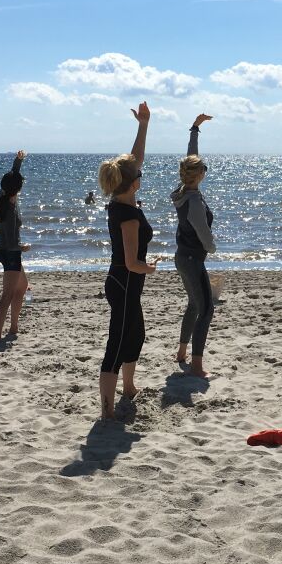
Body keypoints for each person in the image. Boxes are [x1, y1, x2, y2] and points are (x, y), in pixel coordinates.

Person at [98, 102, 157, 419]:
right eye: (139, 174)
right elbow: (133, 262)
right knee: (117, 345)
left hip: (125, 285)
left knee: (136, 335)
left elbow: (133, 161)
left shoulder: (121, 199)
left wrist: (144, 125)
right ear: (133, 183)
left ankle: (129, 387)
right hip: (124, 282)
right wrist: (151, 267)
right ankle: (106, 411)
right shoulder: (129, 216)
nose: (140, 173)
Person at [171, 113, 218, 377]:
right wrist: (212, 247)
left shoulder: (182, 191)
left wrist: (195, 130)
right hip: (192, 259)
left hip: (182, 257)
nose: (205, 171)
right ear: (198, 175)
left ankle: (181, 352)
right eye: (203, 169)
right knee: (206, 309)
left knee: (193, 304)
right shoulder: (194, 202)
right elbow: (204, 236)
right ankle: (197, 367)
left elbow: (190, 160)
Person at [0, 151, 30, 342]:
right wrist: (22, 247)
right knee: (7, 295)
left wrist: (19, 160)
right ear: (17, 188)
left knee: (22, 286)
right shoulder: (9, 208)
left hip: (5, 250)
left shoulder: (3, 194)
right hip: (10, 252)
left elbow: (13, 175)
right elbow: (10, 239)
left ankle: (14, 327)